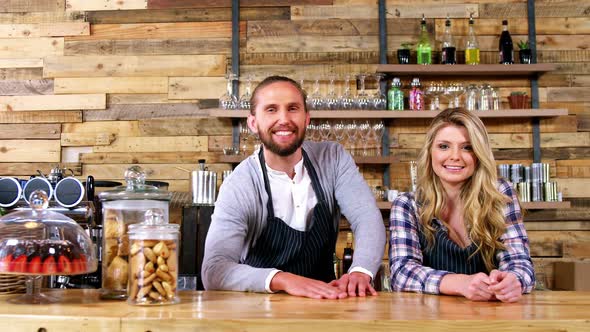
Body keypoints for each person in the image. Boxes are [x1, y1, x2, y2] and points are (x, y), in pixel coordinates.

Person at [202, 76, 386, 299]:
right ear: (253, 123)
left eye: (293, 108)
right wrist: (284, 280)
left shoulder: (333, 158)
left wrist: (361, 270)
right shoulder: (240, 184)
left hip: (327, 302)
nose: (284, 119)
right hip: (259, 309)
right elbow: (214, 270)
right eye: (271, 109)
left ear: (306, 118)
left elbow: (366, 217)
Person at [389, 108, 535, 303]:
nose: (455, 156)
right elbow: (401, 273)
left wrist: (514, 280)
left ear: (479, 155)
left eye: (467, 147)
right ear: (430, 152)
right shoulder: (408, 206)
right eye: (444, 146)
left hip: (492, 316)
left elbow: (519, 262)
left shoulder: (499, 195)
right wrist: (461, 284)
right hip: (429, 320)